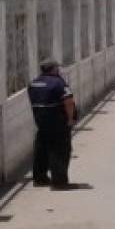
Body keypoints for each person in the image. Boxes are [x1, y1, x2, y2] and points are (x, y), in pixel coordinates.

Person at [28, 59, 76, 189]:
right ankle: (59, 181)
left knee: (41, 149)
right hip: (58, 121)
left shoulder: (33, 83)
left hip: (41, 122)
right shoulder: (58, 83)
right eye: (57, 68)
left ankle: (40, 178)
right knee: (60, 150)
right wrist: (70, 118)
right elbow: (68, 101)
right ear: (54, 69)